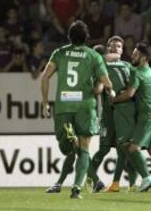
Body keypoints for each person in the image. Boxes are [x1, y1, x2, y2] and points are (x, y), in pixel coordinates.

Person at [40, 20, 114, 199]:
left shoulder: (59, 53)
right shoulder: (93, 56)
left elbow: (44, 77)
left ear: (69, 37)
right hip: (85, 107)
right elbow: (106, 82)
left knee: (67, 148)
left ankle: (69, 140)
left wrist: (44, 103)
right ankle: (76, 189)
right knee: (84, 149)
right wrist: (110, 91)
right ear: (87, 37)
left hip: (64, 106)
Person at [112, 43, 151, 192]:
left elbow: (129, 93)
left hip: (147, 116)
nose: (132, 56)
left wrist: (114, 99)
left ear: (143, 57)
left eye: (135, 54)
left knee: (133, 148)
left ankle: (146, 178)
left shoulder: (137, 72)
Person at [87, 36, 137, 193]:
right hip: (108, 117)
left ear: (123, 50)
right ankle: (90, 181)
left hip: (124, 116)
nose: (115, 48)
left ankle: (131, 184)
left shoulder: (128, 66)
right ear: (107, 48)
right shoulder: (101, 65)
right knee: (103, 149)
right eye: (112, 46)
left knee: (127, 151)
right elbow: (97, 89)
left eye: (119, 46)